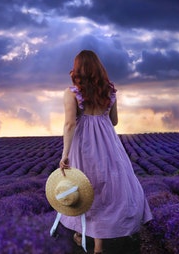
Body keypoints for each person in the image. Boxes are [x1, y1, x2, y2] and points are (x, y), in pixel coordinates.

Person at [59, 50, 153, 254]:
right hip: (108, 142)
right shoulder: (110, 91)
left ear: (77, 70)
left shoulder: (72, 92)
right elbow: (114, 121)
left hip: (84, 144)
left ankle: (84, 234)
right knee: (108, 188)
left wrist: (65, 154)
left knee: (86, 188)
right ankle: (99, 246)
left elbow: (69, 124)